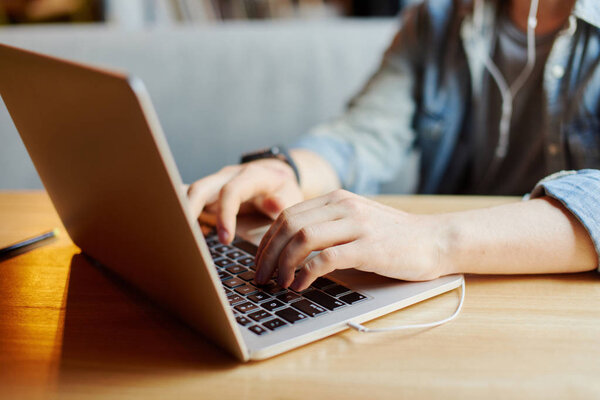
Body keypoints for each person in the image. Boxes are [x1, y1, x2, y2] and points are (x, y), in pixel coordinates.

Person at [187, 0, 600, 292]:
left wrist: (433, 240)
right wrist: (286, 170)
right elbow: (363, 135)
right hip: (454, 291)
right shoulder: (434, 19)